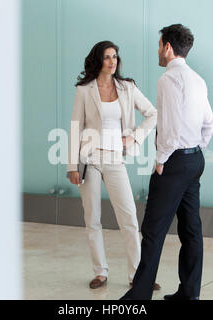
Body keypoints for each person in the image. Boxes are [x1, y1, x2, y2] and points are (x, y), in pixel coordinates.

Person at [120, 24, 213, 300]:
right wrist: (195, 150)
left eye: (160, 45)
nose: (158, 51)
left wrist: (162, 160)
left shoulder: (168, 80)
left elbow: (171, 128)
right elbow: (209, 124)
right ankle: (189, 294)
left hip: (173, 164)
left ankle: (138, 298)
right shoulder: (198, 79)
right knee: (190, 229)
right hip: (194, 160)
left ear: (168, 48)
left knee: (153, 229)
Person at [67, 40, 160, 290]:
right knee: (92, 218)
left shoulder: (127, 88)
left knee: (129, 217)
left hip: (115, 158)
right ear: (98, 59)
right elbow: (76, 127)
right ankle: (100, 272)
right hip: (90, 159)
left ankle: (137, 276)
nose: (112, 61)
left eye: (115, 57)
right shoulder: (84, 90)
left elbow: (153, 114)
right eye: (107, 57)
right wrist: (71, 166)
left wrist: (135, 137)